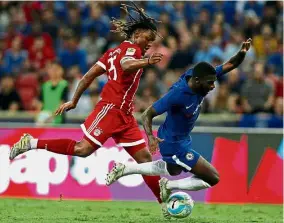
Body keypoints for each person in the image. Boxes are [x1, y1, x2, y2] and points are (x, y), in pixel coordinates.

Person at [9, 2, 163, 206]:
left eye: (151, 42)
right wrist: (147, 62)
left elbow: (87, 77)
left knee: (144, 159)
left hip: (125, 114)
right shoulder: (133, 51)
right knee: (83, 149)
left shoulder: (111, 53)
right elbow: (126, 65)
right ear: (136, 36)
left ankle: (165, 203)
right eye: (147, 39)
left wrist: (73, 100)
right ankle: (31, 143)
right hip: (111, 108)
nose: (148, 45)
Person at [106, 39, 252, 218]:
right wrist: (150, 137)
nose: (213, 86)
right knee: (212, 178)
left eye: (213, 81)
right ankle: (168, 186)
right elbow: (147, 114)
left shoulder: (200, 79)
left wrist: (242, 53)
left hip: (181, 138)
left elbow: (229, 64)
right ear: (197, 81)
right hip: (173, 144)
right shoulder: (178, 95)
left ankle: (125, 169)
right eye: (210, 83)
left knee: (173, 169)